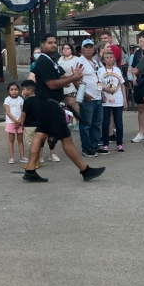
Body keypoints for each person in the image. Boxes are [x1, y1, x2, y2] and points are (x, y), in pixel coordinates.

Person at [22, 33, 104, 184]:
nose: (53, 45)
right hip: (49, 104)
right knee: (66, 138)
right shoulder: (43, 61)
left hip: (48, 103)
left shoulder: (51, 61)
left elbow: (62, 80)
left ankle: (30, 170)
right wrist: (73, 78)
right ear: (42, 45)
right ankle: (85, 170)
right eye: (50, 42)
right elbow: (52, 84)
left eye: (55, 42)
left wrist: (73, 76)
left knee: (40, 135)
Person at [75, 39, 104, 157]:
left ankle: (95, 145)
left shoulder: (95, 61)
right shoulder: (79, 61)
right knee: (86, 124)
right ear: (82, 49)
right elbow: (76, 79)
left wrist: (102, 93)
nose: (89, 49)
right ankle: (86, 148)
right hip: (87, 97)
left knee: (96, 123)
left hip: (97, 96)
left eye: (91, 47)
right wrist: (84, 95)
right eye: (86, 47)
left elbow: (98, 77)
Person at [56, 42, 81, 159]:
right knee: (65, 104)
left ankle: (78, 121)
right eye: (64, 48)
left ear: (71, 50)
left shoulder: (76, 59)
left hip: (72, 83)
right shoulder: (60, 59)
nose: (65, 50)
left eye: (67, 48)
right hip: (63, 84)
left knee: (72, 103)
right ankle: (69, 122)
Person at [99, 51, 125, 153]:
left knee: (118, 122)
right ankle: (105, 144)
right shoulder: (100, 71)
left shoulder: (117, 70)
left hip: (118, 99)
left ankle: (120, 143)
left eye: (111, 57)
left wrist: (125, 99)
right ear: (104, 60)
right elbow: (98, 85)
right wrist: (103, 92)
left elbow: (122, 85)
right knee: (105, 122)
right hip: (106, 100)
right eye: (107, 57)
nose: (109, 59)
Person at [17, 80, 38, 163]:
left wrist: (21, 122)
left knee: (31, 144)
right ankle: (38, 160)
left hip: (29, 125)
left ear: (29, 90)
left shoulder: (27, 101)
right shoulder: (39, 100)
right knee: (37, 143)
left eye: (24, 89)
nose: (22, 91)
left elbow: (23, 114)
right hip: (39, 125)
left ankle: (33, 161)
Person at [3, 82, 24, 164]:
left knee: (20, 139)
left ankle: (22, 156)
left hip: (20, 122)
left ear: (18, 90)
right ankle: (11, 157)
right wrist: (16, 121)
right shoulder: (7, 100)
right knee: (11, 140)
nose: (14, 91)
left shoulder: (21, 99)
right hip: (11, 122)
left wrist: (20, 121)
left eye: (15, 89)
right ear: (8, 91)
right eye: (11, 90)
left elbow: (23, 111)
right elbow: (8, 112)